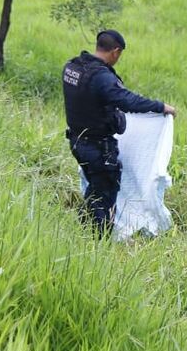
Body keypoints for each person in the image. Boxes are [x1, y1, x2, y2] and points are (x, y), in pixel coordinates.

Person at [62, 29, 176, 237]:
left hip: (77, 141)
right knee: (104, 196)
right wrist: (160, 107)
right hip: (97, 148)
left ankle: (84, 232)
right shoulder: (101, 77)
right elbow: (127, 100)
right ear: (115, 52)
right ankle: (98, 243)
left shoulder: (72, 67)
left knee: (95, 189)